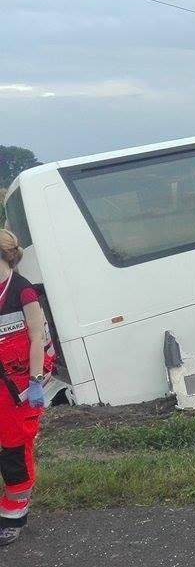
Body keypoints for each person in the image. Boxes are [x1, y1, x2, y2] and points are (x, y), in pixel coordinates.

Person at [0, 228, 52, 547]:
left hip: (18, 390)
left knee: (14, 451)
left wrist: (35, 382)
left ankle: (14, 515)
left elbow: (36, 337)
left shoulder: (23, 291)